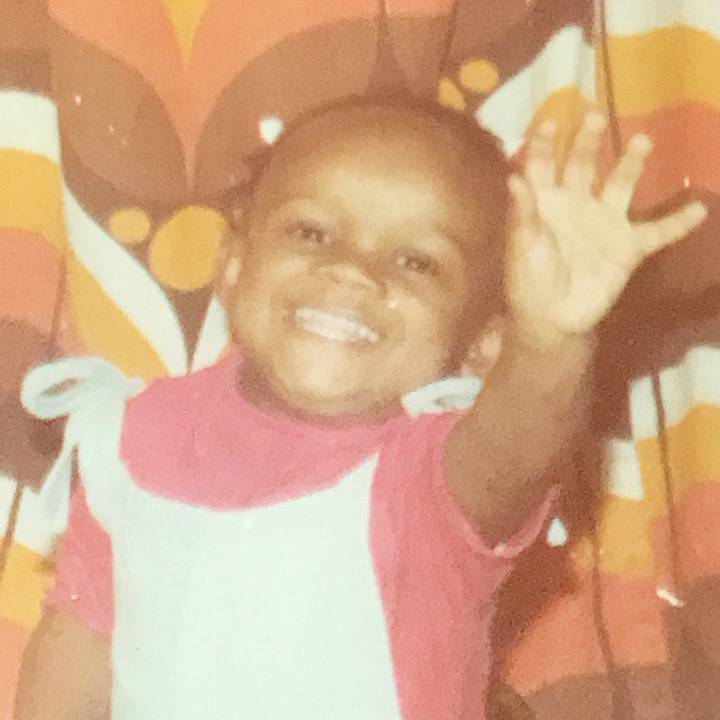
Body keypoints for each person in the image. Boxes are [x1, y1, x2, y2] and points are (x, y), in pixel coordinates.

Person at [14, 96, 707, 720]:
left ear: (484, 343)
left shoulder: (431, 477)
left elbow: (519, 447)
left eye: (417, 262)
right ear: (233, 264)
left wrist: (550, 338)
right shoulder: (136, 433)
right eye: (311, 232)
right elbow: (80, 636)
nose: (351, 268)